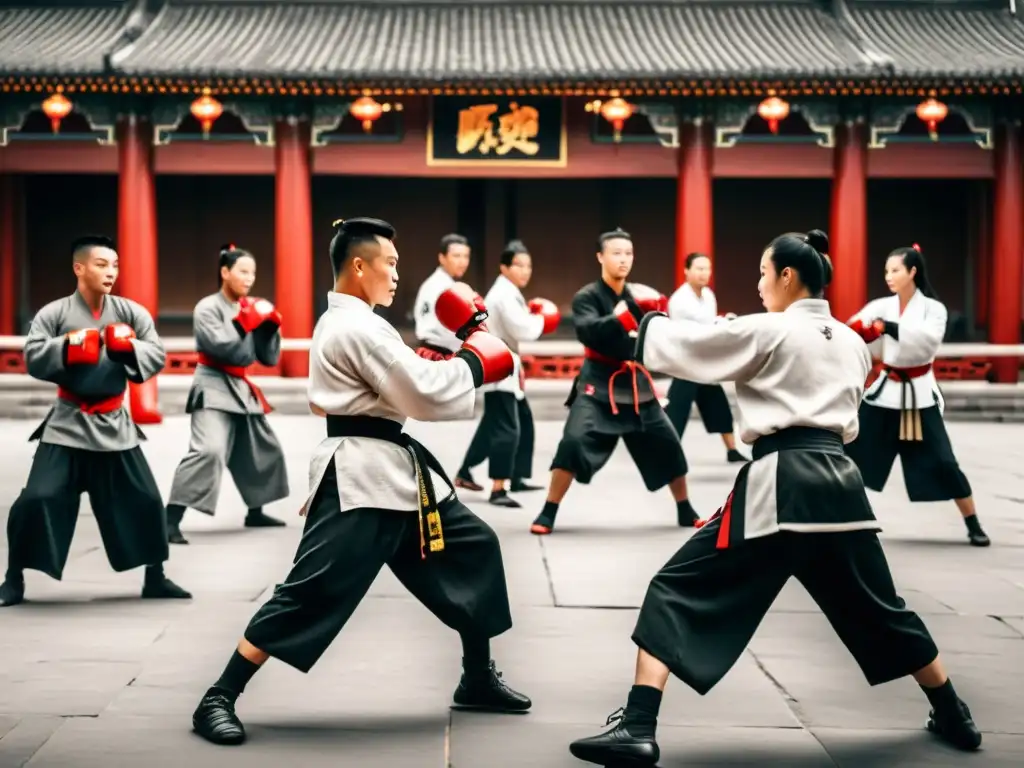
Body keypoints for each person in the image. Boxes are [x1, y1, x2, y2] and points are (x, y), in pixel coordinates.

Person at [567, 230, 982, 766]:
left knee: (675, 588)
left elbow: (682, 351)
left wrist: (646, 319)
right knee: (883, 609)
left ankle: (638, 726)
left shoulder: (769, 330)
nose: (759, 285)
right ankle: (953, 711)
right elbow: (849, 417)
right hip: (842, 486)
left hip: (780, 483)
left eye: (764, 274)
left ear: (787, 276)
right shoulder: (854, 342)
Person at [191, 218, 531, 747]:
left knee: (475, 549)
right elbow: (421, 394)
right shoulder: (356, 327)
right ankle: (218, 695)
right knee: (312, 589)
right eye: (389, 264)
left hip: (396, 469)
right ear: (358, 265)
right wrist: (473, 353)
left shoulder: (364, 324)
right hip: (361, 477)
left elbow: (401, 387)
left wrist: (435, 361)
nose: (397, 274)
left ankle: (477, 677)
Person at [0, 235, 191, 607]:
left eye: (115, 265)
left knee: (147, 499)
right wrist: (69, 347)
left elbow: (156, 353)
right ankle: (13, 578)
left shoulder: (130, 312)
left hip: (114, 424)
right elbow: (33, 355)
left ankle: (156, 577)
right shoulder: (53, 313)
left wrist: (129, 347)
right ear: (80, 268)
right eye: (102, 264)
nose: (111, 272)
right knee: (35, 499)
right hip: (67, 423)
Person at [530, 228, 700, 535]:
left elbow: (658, 335)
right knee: (572, 442)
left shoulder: (639, 293)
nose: (623, 259)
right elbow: (588, 330)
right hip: (597, 382)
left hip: (634, 384)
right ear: (601, 257)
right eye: (616, 253)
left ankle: (685, 509)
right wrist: (627, 315)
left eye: (628, 253)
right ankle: (548, 511)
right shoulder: (587, 297)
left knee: (668, 443)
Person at [845, 245, 989, 547]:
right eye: (886, 271)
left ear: (913, 272)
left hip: (919, 396)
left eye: (895, 270)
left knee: (944, 462)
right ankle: (832, 520)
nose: (889, 276)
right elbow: (854, 328)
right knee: (849, 455)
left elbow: (926, 343)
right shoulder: (881, 305)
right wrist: (858, 330)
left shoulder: (934, 309)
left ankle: (973, 522)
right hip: (885, 395)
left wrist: (889, 328)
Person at [164, 245, 289, 544]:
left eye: (253, 273)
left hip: (241, 389)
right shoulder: (207, 307)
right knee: (209, 450)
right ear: (225, 272)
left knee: (262, 449)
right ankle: (170, 518)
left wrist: (269, 330)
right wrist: (247, 322)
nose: (249, 278)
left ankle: (255, 511)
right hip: (212, 385)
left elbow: (268, 358)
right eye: (243, 271)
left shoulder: (252, 306)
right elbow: (220, 347)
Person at [453, 240, 560, 507]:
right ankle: (498, 488)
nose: (525, 271)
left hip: (505, 363)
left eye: (528, 266)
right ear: (504, 267)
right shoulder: (503, 294)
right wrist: (542, 319)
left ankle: (504, 474)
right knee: (506, 429)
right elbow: (522, 328)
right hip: (498, 364)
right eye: (519, 265)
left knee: (517, 424)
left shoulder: (508, 290)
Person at [664, 252, 748, 463]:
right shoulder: (680, 300)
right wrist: (717, 326)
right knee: (677, 409)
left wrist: (722, 322)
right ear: (687, 271)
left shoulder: (708, 295)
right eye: (699, 268)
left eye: (707, 269)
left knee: (718, 404)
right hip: (687, 362)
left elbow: (709, 322)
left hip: (706, 362)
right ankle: (667, 453)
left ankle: (731, 449)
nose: (704, 273)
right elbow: (689, 332)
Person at [411, 232, 473, 362]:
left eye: (466, 256)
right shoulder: (440, 287)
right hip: (437, 354)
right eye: (456, 256)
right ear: (442, 258)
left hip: (436, 351)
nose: (462, 262)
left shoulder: (440, 284)